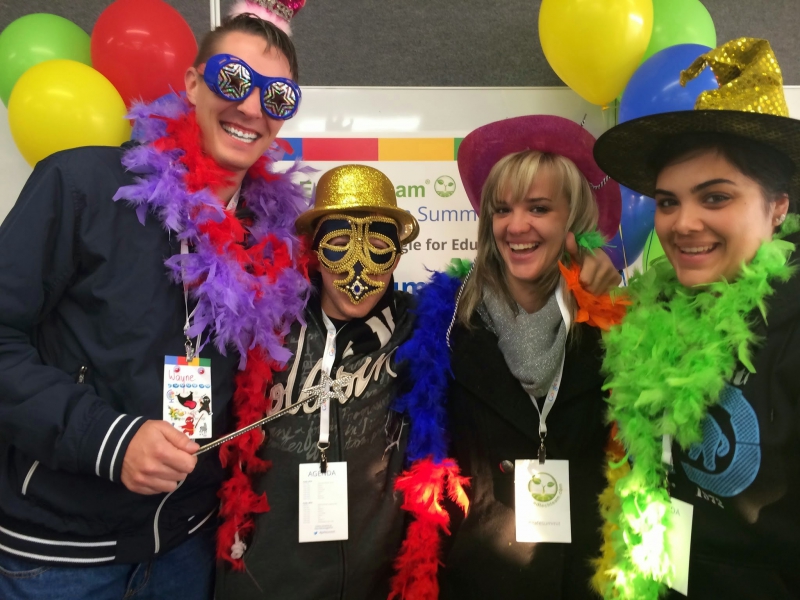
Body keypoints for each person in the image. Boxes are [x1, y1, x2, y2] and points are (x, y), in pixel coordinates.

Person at [0, 6, 308, 599]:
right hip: (61, 559)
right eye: (234, 80)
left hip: (187, 549)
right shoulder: (83, 184)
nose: (252, 108)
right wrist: (107, 440)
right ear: (192, 83)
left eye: (277, 96)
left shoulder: (268, 237)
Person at [593, 39, 800, 600]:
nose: (683, 223)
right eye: (668, 202)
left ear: (778, 207)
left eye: (715, 198)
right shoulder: (656, 312)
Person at [388, 115, 626, 600]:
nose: (516, 226)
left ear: (573, 221)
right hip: (474, 583)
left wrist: (603, 298)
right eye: (502, 209)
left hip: (583, 583)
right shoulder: (444, 323)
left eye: (538, 208)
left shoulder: (612, 326)